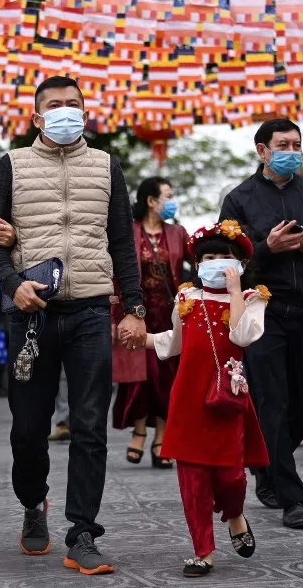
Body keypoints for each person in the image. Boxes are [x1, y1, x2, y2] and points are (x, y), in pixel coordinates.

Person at [0, 75, 146, 575]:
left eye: (73, 104)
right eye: (54, 105)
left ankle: (82, 532)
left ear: (86, 111)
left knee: (89, 423)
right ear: (36, 117)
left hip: (92, 311)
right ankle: (34, 503)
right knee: (29, 429)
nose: (65, 111)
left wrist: (135, 309)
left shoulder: (106, 166)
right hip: (30, 315)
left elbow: (122, 240)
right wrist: (14, 285)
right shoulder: (10, 164)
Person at [219, 118, 303, 530]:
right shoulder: (239, 199)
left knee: (301, 403)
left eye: (297, 143)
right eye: (283, 144)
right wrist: (265, 248)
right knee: (272, 402)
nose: (292, 150)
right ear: (262, 150)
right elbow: (224, 263)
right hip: (263, 314)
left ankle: (267, 465)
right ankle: (294, 498)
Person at [134, 221, 269, 578]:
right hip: (189, 400)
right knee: (193, 482)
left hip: (228, 400)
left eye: (224, 257)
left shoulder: (254, 301)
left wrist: (237, 289)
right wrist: (141, 339)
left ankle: (235, 516)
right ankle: (203, 551)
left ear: (238, 263)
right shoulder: (186, 298)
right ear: (197, 263)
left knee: (231, 478)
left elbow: (241, 335)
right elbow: (174, 343)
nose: (215, 263)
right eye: (207, 257)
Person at [113, 177, 189, 469]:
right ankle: (139, 430)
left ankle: (162, 436)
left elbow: (196, 266)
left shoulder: (179, 232)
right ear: (150, 201)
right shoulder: (127, 232)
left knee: (166, 378)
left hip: (170, 314)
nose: (171, 201)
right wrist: (115, 314)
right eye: (167, 196)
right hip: (135, 311)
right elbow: (115, 275)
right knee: (138, 379)